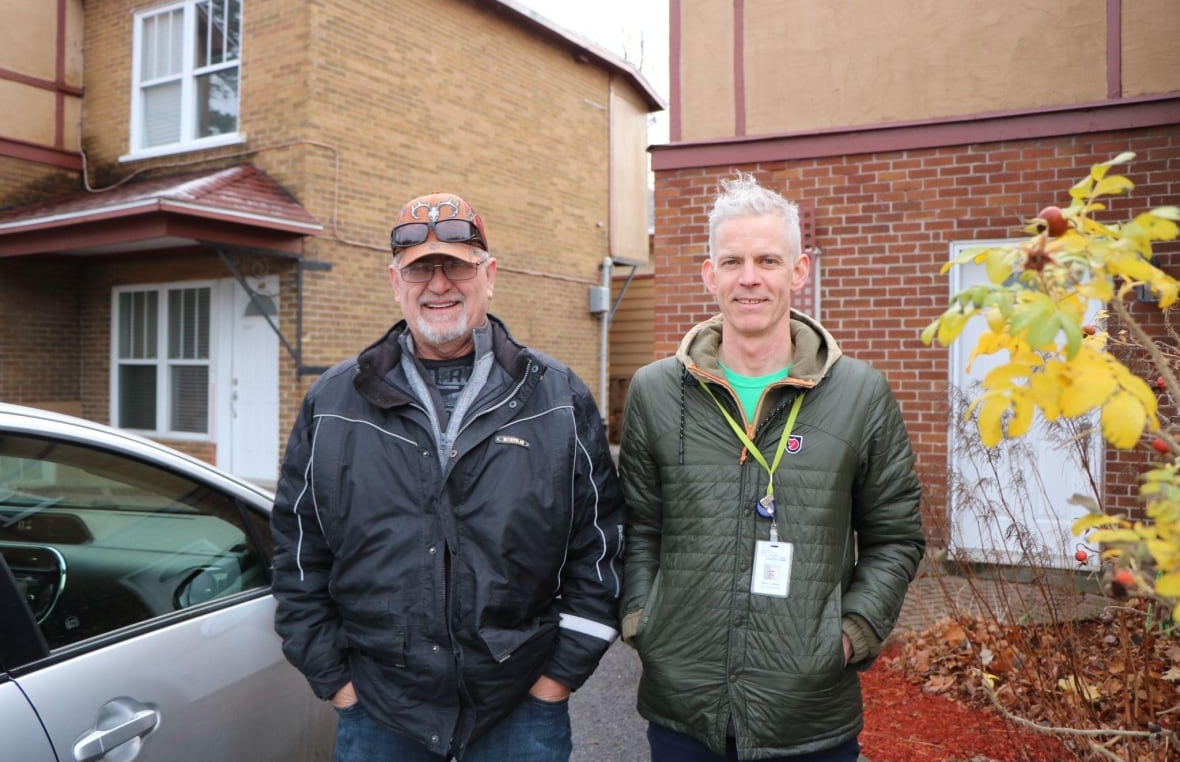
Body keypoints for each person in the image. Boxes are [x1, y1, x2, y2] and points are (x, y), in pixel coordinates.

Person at [270, 191, 624, 762]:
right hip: (381, 713)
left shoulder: (557, 398)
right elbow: (298, 553)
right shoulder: (334, 402)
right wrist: (338, 685)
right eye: (420, 270)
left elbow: (602, 551)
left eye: (456, 265)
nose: (438, 285)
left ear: (490, 275)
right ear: (394, 281)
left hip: (519, 711)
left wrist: (556, 680)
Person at [618, 173, 925, 762]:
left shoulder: (859, 394)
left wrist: (849, 634)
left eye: (768, 260)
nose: (750, 278)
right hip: (683, 711)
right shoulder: (656, 392)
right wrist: (643, 620)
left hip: (808, 712)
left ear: (799, 271)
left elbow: (896, 537)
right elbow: (639, 526)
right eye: (732, 261)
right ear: (710, 275)